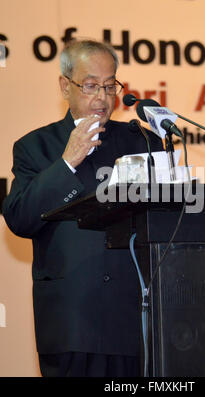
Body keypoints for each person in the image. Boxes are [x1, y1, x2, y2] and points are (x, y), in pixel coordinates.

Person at [2, 39, 163, 377]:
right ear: (65, 86)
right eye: (91, 85)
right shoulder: (35, 146)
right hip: (70, 322)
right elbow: (19, 218)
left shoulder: (142, 142)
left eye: (109, 86)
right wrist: (66, 163)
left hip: (133, 319)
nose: (102, 97)